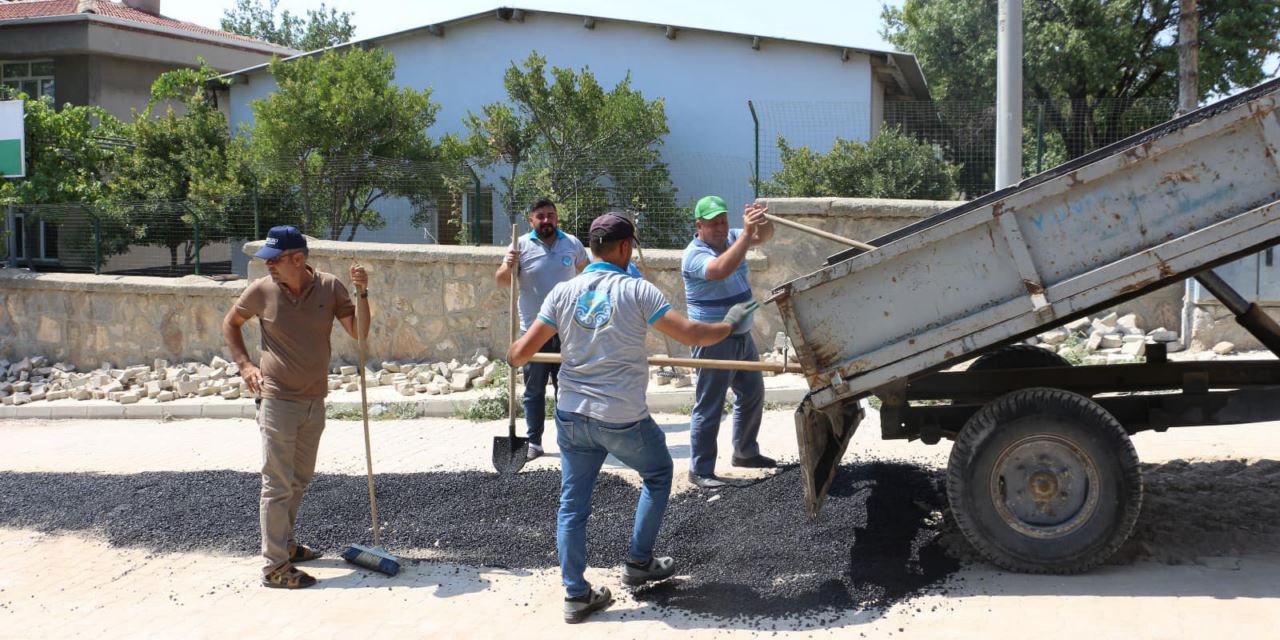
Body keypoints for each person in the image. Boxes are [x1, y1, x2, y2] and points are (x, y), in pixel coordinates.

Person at [508, 212, 757, 624]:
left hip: (571, 416)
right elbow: (693, 334)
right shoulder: (638, 291)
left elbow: (519, 355)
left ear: (592, 248)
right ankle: (639, 561)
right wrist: (729, 325)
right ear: (624, 248)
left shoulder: (562, 293)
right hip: (621, 416)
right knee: (658, 474)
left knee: (572, 505)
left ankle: (576, 594)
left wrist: (518, 349)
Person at [221, 225, 370, 589]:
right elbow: (231, 323)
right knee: (276, 484)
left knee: (299, 480)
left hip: (314, 399)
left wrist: (362, 292)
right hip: (276, 400)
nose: (268, 266)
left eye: (275, 260)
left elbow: (360, 332)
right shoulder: (262, 291)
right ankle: (275, 566)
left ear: (298, 259)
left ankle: (286, 543)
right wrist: (245, 364)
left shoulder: (331, 287)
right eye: (267, 260)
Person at [681, 195, 777, 489]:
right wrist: (747, 235)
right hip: (713, 338)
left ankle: (745, 452)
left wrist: (762, 221)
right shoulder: (694, 255)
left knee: (752, 393)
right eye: (713, 223)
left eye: (723, 221)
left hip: (741, 335)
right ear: (699, 225)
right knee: (710, 404)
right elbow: (720, 269)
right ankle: (700, 470)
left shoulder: (735, 236)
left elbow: (764, 236)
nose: (721, 228)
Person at [495, 197, 590, 460]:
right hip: (533, 331)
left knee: (567, 388)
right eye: (541, 216)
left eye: (551, 215)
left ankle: (569, 440)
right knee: (534, 389)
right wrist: (508, 265)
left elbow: (589, 272)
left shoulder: (572, 243)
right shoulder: (520, 246)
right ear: (531, 220)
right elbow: (502, 282)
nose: (547, 220)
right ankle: (534, 442)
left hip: (567, 330)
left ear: (556, 218)